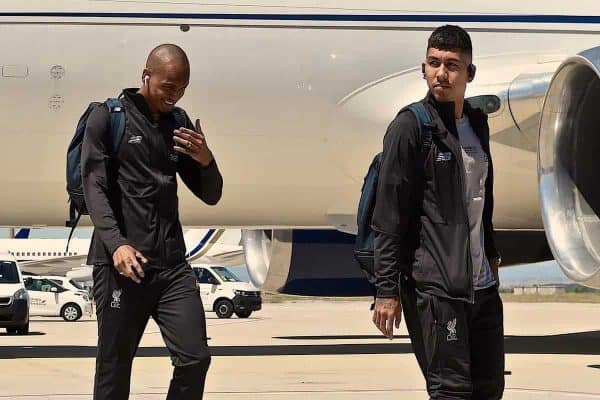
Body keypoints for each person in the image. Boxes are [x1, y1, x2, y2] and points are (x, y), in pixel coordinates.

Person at [82, 43, 223, 400]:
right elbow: (94, 188)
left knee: (195, 358)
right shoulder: (108, 117)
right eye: (168, 87)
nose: (175, 95)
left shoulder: (178, 124)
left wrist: (206, 160)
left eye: (182, 88)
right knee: (114, 370)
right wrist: (117, 245)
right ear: (146, 76)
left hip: (171, 267)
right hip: (122, 267)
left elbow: (211, 194)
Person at [371, 25, 504, 399]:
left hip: (481, 285)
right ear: (424, 67)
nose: (441, 74)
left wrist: (491, 255)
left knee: (490, 389)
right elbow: (389, 215)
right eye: (433, 63)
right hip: (437, 288)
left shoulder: (477, 123)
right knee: (451, 391)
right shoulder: (410, 127)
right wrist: (386, 290)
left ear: (470, 74)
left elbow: (481, 199)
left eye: (452, 65)